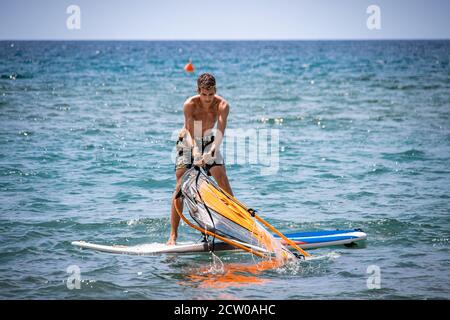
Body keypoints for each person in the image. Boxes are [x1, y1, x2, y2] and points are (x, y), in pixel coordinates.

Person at [166, 73, 233, 245]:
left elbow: (220, 132)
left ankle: (235, 226)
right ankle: (173, 235)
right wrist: (195, 151)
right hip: (188, 140)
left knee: (222, 178)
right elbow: (188, 131)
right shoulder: (190, 104)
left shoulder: (223, 105)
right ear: (199, 91)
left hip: (209, 140)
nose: (208, 98)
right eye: (204, 94)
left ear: (215, 90)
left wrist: (211, 151)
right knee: (180, 185)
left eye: (211, 94)